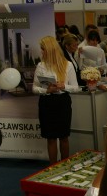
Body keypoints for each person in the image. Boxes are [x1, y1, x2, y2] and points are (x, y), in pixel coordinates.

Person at [32, 36, 79, 164]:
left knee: (64, 137)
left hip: (62, 102)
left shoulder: (67, 65)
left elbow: (76, 87)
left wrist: (64, 86)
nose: (41, 52)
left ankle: (64, 165)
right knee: (50, 138)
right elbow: (34, 88)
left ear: (50, 50)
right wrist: (46, 90)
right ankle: (52, 166)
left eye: (43, 49)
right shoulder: (41, 66)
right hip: (46, 103)